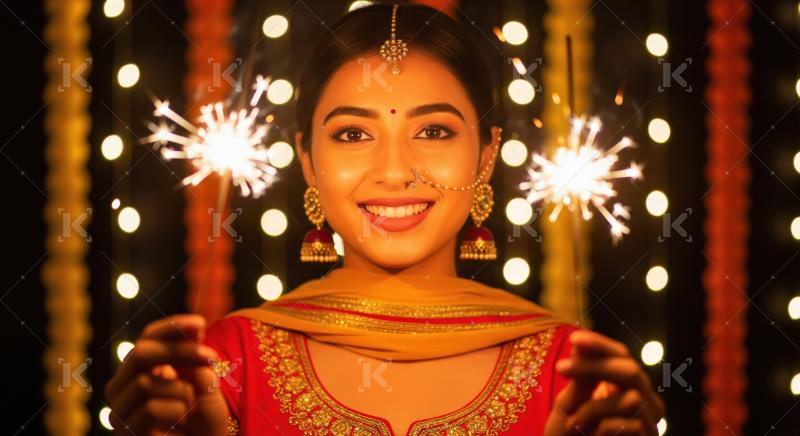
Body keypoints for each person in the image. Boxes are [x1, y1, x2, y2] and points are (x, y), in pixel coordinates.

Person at [105, 3, 664, 435]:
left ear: (486, 156)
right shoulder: (226, 365)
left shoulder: (572, 371)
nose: (395, 172)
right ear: (308, 162)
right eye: (353, 134)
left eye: (434, 131)